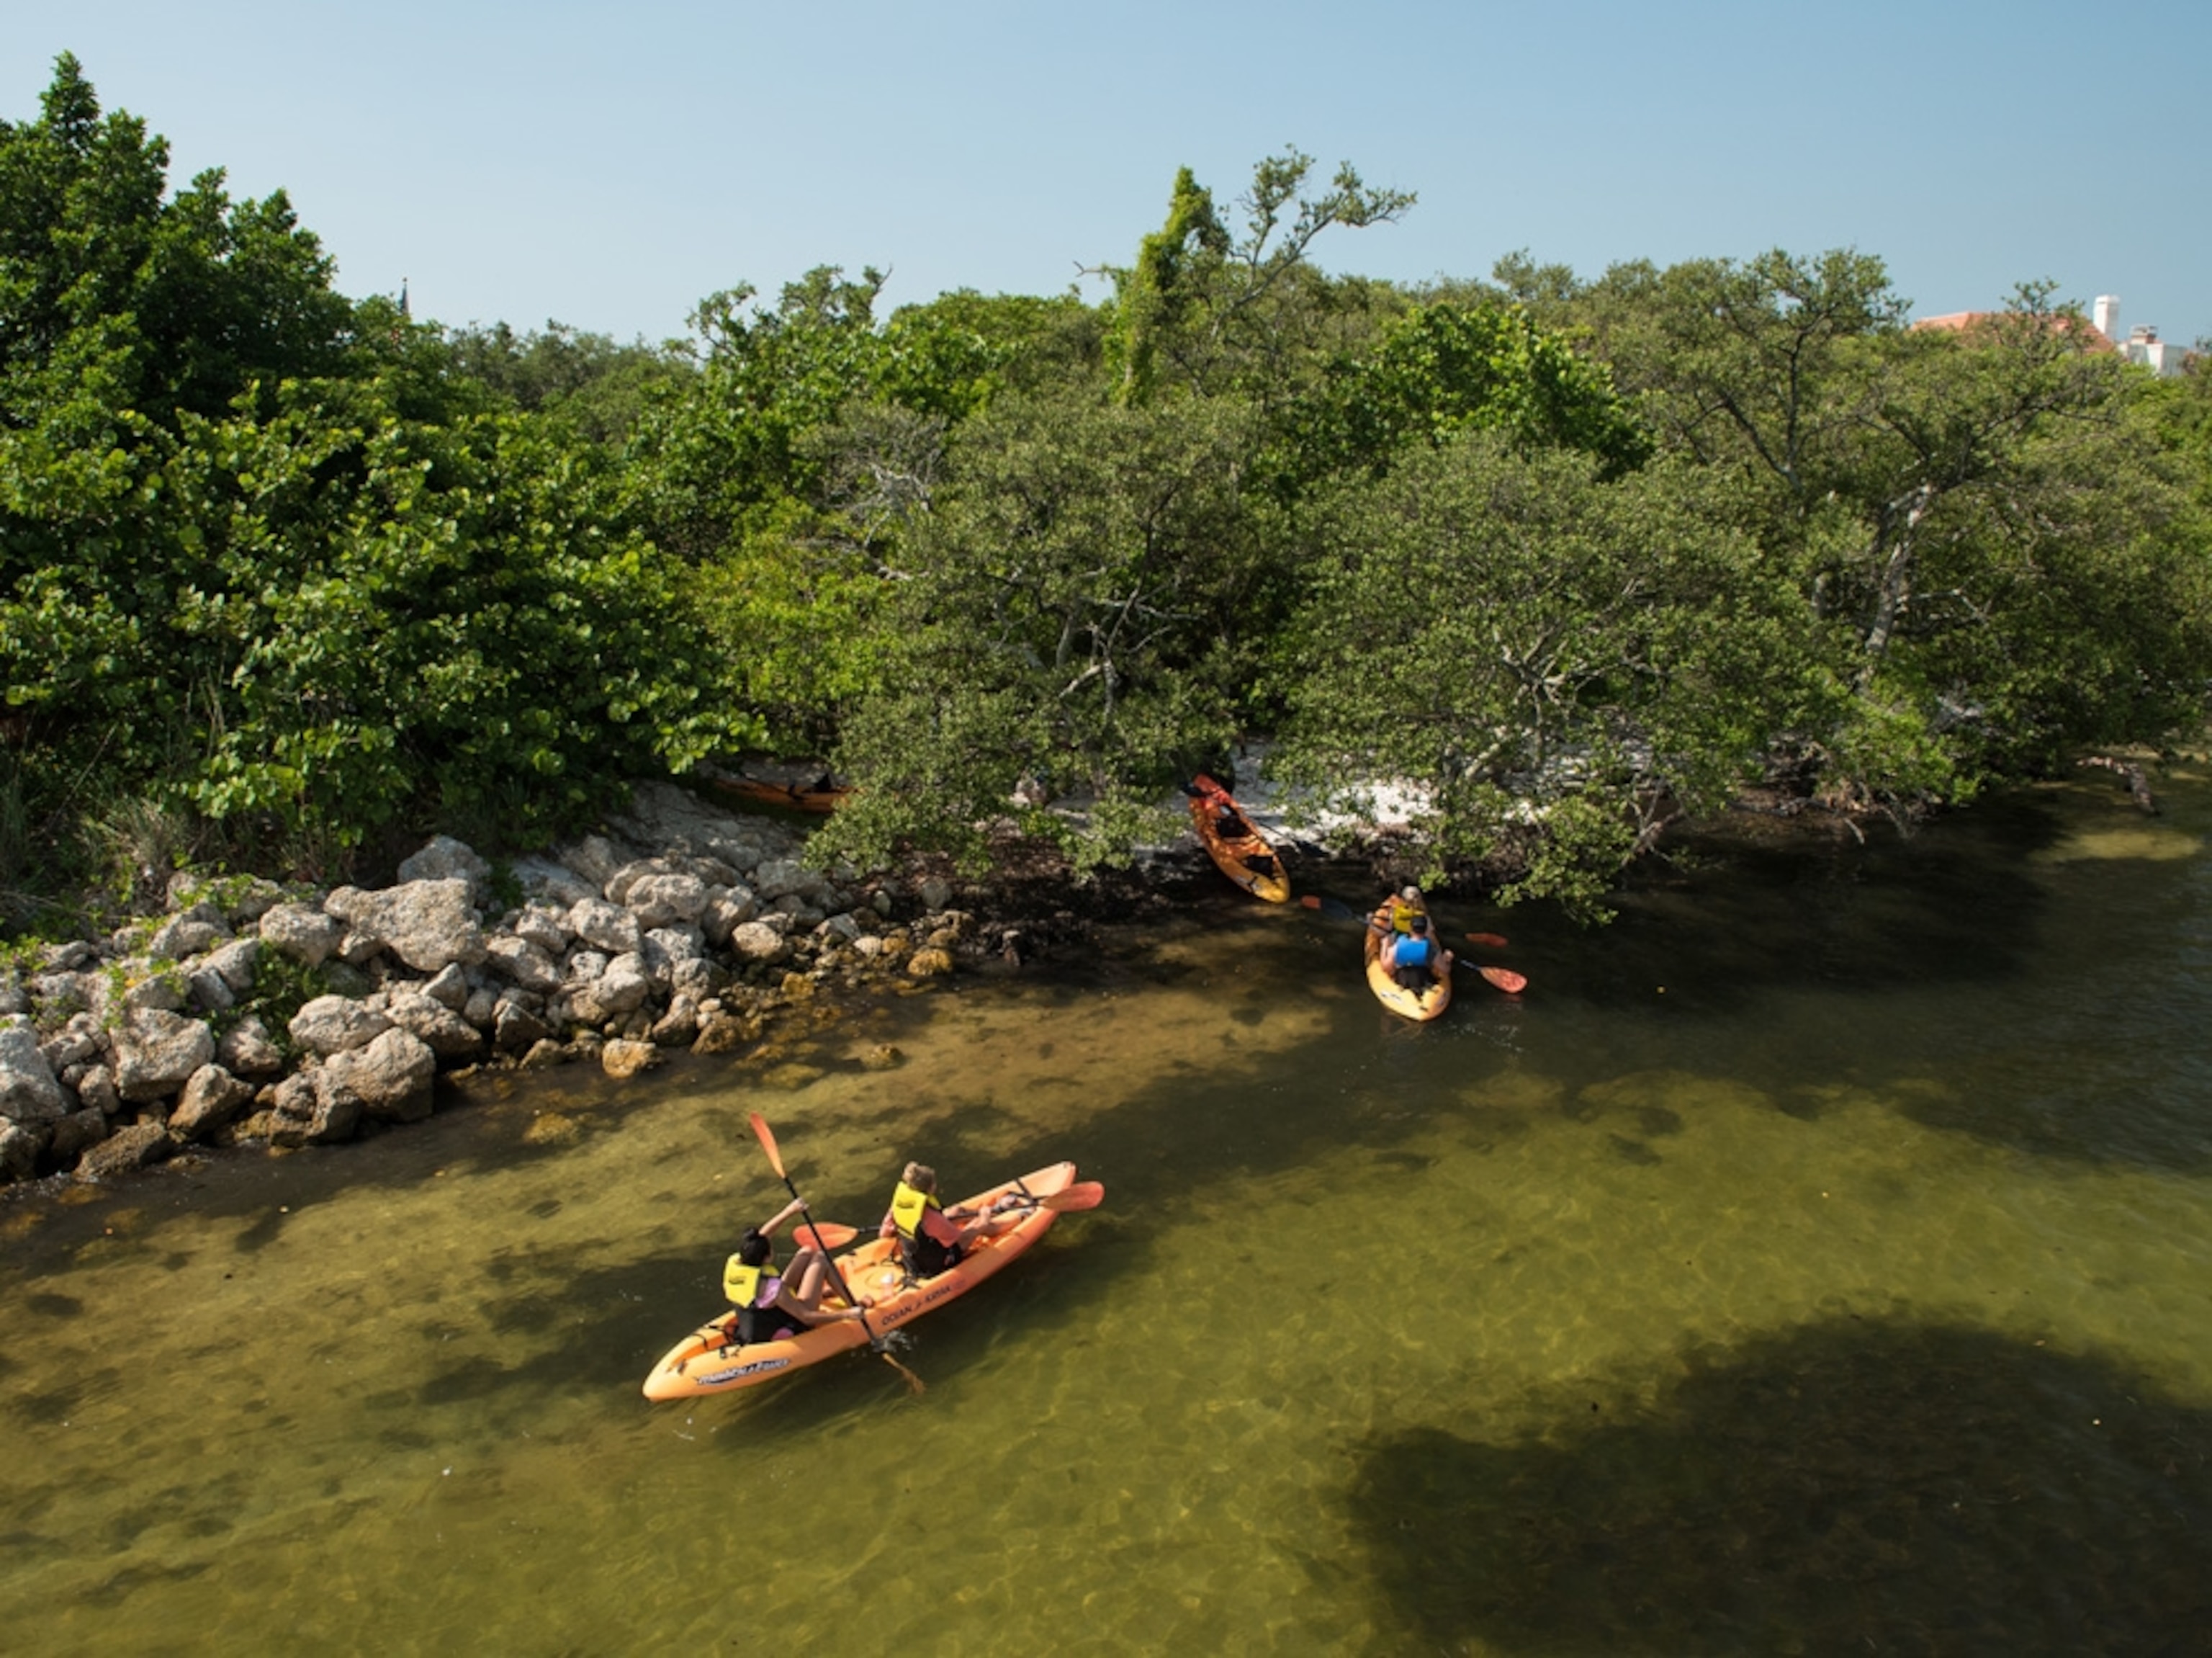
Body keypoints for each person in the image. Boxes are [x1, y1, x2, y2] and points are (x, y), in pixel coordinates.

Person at [719, 1196, 868, 1346]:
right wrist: (846, 1315)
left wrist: (790, 1211)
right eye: (770, 1249)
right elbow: (806, 1317)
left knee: (807, 1251)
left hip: (764, 1312)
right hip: (791, 1322)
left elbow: (762, 1237)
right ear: (765, 1259)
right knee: (821, 1258)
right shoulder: (771, 1287)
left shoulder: (736, 1262)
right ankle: (853, 1304)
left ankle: (827, 1295)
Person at [879, 1162, 1018, 1279]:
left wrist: (899, 1230)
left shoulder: (899, 1204)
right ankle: (1020, 1217)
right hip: (932, 1264)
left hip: (913, 1253)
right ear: (930, 1188)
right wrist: (983, 1219)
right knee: (978, 1226)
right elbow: (959, 1239)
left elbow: (883, 1234)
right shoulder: (932, 1218)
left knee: (957, 1211)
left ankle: (997, 1211)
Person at [1382, 913, 1451, 992]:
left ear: (1410, 929)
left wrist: (1384, 946)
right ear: (1425, 930)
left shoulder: (1397, 946)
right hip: (1424, 983)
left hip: (1402, 982)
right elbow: (1445, 969)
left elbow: (1386, 967)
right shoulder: (1431, 949)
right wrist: (1448, 960)